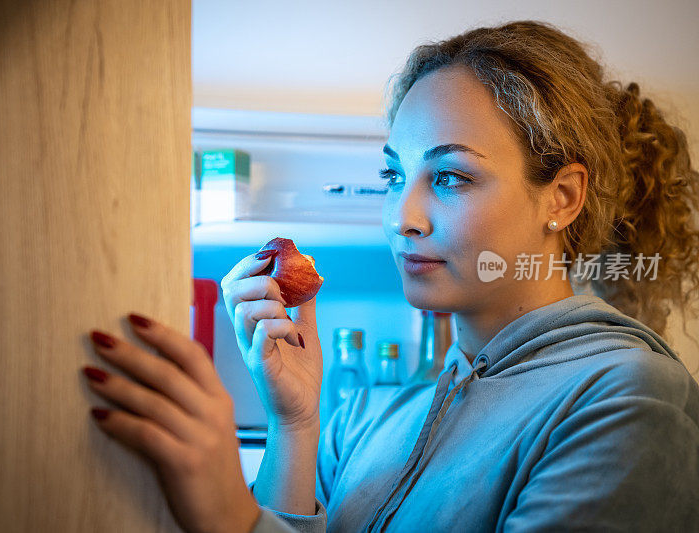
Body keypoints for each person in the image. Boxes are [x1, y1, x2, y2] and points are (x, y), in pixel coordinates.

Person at [80, 20, 699, 533]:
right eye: (393, 176)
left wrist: (230, 518)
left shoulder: (625, 397)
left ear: (561, 198)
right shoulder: (369, 417)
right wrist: (293, 424)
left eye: (450, 177)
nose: (402, 218)